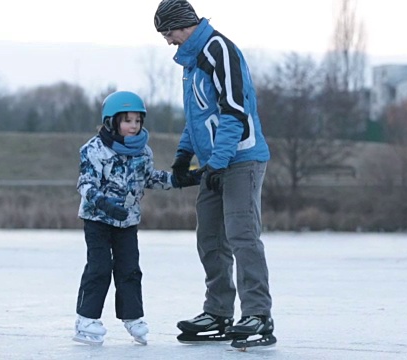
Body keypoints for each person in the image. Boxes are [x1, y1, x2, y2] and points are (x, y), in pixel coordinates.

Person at [154, 0, 276, 349]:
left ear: (183, 24)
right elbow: (197, 119)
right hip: (216, 163)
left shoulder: (218, 50)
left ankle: (258, 314)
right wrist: (183, 156)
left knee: (242, 234)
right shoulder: (191, 63)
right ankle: (218, 312)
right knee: (209, 237)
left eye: (168, 32)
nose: (167, 41)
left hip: (241, 159)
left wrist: (220, 161)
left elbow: (234, 112)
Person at [73, 90, 199, 346]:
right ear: (112, 122)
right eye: (127, 120)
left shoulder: (143, 151)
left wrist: (178, 179)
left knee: (129, 269)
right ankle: (86, 319)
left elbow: (149, 178)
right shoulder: (93, 149)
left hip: (127, 222)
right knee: (99, 267)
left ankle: (131, 317)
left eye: (138, 121)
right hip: (98, 220)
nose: (133, 126)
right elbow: (85, 184)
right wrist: (104, 204)